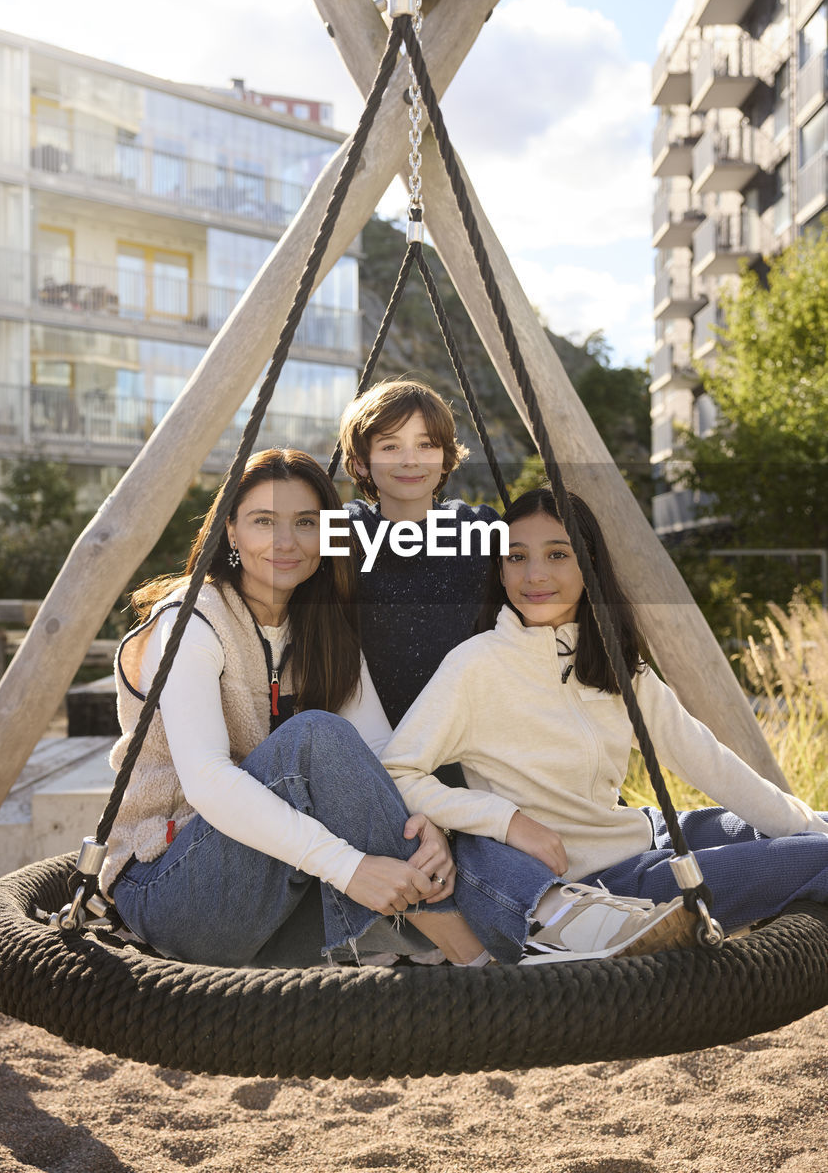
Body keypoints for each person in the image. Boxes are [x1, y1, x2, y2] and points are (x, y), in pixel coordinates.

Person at [99, 451, 682, 969]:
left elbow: (380, 754)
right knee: (315, 739)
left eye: (306, 524)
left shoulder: (321, 625)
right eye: (262, 522)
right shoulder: (190, 622)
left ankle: (537, 928)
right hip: (171, 885)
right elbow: (207, 782)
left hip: (270, 892)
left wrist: (425, 830)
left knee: (450, 828)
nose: (285, 542)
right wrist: (351, 867)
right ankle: (486, 954)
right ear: (229, 529)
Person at [380, 487, 828, 962]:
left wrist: (803, 825)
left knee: (811, 835)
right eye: (516, 557)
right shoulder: (475, 667)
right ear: (500, 568)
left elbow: (706, 760)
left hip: (645, 836)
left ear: (589, 563)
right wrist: (507, 821)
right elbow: (397, 773)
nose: (534, 574)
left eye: (557, 554)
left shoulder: (613, 663)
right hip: (603, 889)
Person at [339, 378, 502, 732]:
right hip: (369, 736)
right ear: (362, 463)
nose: (410, 461)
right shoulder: (346, 532)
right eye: (390, 447)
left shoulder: (479, 529)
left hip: (464, 733)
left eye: (426, 445)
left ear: (446, 459)